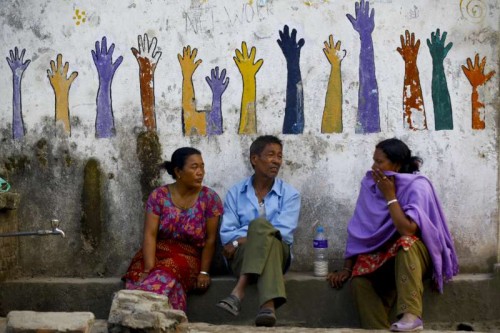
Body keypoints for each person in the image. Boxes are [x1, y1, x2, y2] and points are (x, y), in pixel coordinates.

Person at [327, 138, 458, 331]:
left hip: (416, 256)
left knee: (405, 243)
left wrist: (390, 196)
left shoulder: (417, 186)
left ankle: (411, 316)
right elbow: (359, 229)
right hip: (385, 258)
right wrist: (347, 269)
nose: (374, 167)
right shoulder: (370, 185)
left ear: (396, 165)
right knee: (360, 281)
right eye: (373, 160)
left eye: (379, 162)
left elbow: (407, 229)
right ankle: (377, 328)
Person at [123, 147, 223, 312]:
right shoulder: (159, 196)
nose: (201, 172)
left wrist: (204, 272)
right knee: (138, 277)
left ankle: (151, 315)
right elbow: (150, 234)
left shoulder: (209, 198)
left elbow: (211, 239)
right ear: (178, 171)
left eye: (202, 167)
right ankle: (136, 317)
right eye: (194, 167)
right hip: (157, 252)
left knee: (165, 274)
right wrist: (149, 268)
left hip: (188, 257)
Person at [216, 135, 301, 327]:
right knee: (262, 229)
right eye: (271, 155)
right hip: (241, 256)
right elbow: (227, 234)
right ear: (254, 159)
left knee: (261, 228)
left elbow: (284, 234)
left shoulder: (290, 195)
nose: (276, 161)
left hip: (280, 254)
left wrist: (241, 239)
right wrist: (244, 240)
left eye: (279, 156)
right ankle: (268, 307)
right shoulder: (235, 192)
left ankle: (238, 291)